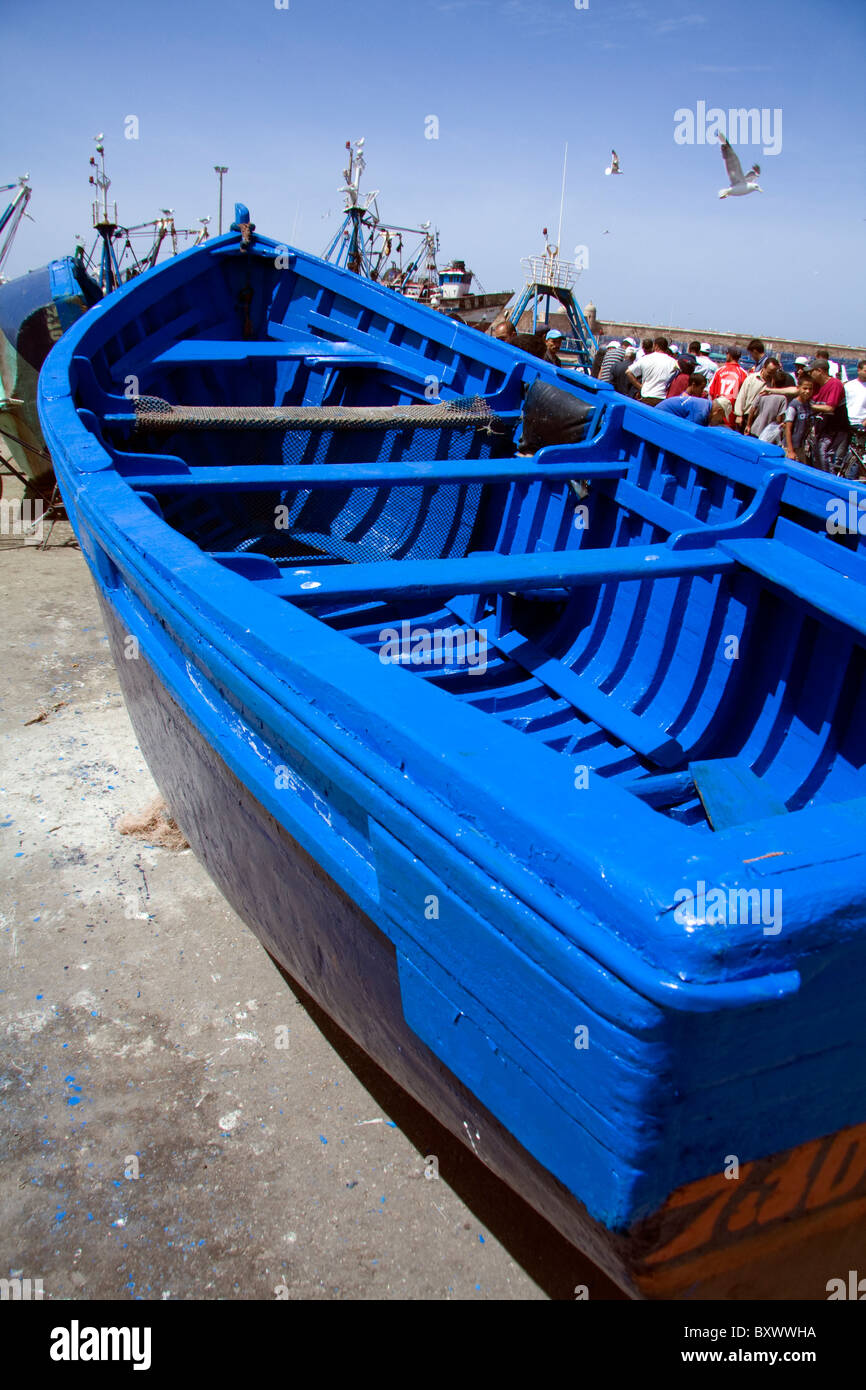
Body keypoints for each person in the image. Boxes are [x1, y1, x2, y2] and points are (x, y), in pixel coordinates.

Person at [809, 358, 849, 472]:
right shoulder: (816, 385)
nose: (810, 374)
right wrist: (772, 390)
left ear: (820, 371)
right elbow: (797, 391)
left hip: (836, 427)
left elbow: (830, 408)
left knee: (825, 455)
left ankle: (830, 482)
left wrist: (810, 407)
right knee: (817, 454)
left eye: (812, 371)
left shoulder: (835, 384)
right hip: (823, 427)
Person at [625, 336, 678, 405]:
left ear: (655, 346)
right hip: (663, 399)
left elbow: (628, 372)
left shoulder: (646, 358)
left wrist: (640, 387)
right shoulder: (673, 362)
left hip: (646, 397)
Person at [735, 357, 780, 430]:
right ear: (764, 368)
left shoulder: (773, 383)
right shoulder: (752, 378)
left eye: (773, 373)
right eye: (769, 372)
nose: (771, 375)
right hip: (746, 416)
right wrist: (739, 415)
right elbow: (742, 396)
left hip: (761, 420)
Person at [746, 370, 787, 440]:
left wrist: (748, 425)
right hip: (768, 433)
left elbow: (752, 410)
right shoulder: (783, 398)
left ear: (772, 381)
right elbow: (779, 418)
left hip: (755, 429)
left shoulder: (763, 393)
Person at [783, 375, 816, 464]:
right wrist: (790, 451)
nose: (807, 391)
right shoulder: (793, 405)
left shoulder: (809, 405)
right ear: (798, 388)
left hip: (801, 447)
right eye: (804, 388)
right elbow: (788, 429)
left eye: (810, 389)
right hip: (791, 447)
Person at [844, 360, 866, 428]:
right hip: (847, 422)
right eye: (865, 371)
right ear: (859, 370)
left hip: (862, 424)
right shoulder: (848, 385)